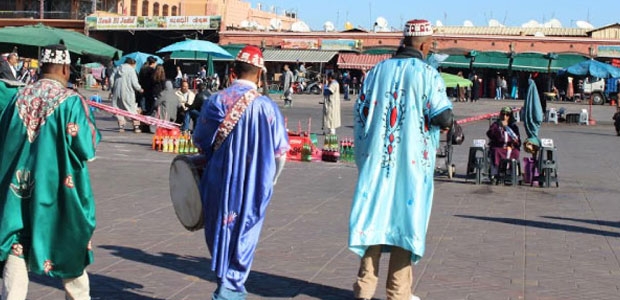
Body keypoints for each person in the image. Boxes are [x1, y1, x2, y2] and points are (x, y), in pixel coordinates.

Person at [349, 19, 453, 300]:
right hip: (411, 166)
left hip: (376, 163)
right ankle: (398, 293)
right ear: (423, 44)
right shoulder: (428, 74)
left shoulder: (376, 72)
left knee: (373, 221)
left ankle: (364, 289)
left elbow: (360, 116)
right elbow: (442, 116)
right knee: (404, 224)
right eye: (431, 42)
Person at [0, 44, 100, 300]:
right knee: (69, 242)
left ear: (41, 67)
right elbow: (86, 147)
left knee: (16, 246)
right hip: (57, 190)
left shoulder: (17, 97)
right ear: (66, 69)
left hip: (17, 190)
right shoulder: (72, 101)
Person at [193, 45, 289, 300]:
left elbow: (200, 141)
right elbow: (280, 154)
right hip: (254, 186)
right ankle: (231, 288)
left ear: (233, 71)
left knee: (220, 232)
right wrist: (271, 181)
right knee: (244, 236)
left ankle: (225, 284)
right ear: (260, 74)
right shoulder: (267, 107)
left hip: (218, 183)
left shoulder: (217, 101)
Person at [486, 106, 521, 183]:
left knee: (516, 152)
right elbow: (490, 134)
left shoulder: (513, 127)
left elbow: (518, 141)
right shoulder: (495, 125)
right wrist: (500, 129)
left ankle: (511, 172)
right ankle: (494, 174)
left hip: (510, 148)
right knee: (496, 152)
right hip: (499, 147)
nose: (505, 117)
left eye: (507, 115)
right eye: (503, 114)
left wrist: (514, 142)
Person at [109, 57, 144, 133]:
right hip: (128, 92)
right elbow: (134, 83)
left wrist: (112, 88)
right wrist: (140, 89)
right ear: (132, 63)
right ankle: (136, 126)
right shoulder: (131, 70)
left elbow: (111, 79)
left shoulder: (117, 68)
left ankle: (121, 127)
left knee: (119, 109)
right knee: (132, 109)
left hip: (117, 92)